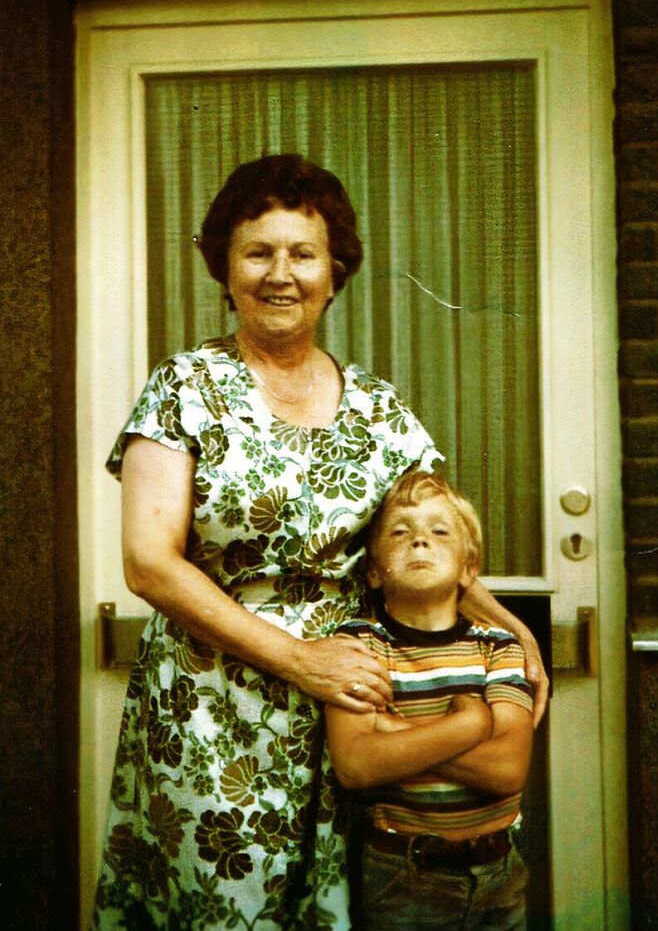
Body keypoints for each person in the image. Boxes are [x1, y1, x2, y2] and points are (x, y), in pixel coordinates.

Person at [92, 154, 546, 931]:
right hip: (213, 710)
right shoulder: (186, 386)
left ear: (334, 274)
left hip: (363, 713)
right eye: (257, 251)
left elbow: (429, 533)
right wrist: (299, 658)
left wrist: (507, 625)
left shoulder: (377, 404)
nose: (281, 273)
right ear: (224, 268)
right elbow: (149, 562)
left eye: (302, 253)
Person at [326, 470, 533, 931]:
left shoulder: (498, 648)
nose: (420, 540)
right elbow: (356, 765)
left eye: (440, 531)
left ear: (468, 569)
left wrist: (396, 732)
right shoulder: (358, 646)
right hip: (402, 875)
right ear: (374, 572)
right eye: (400, 532)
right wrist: (469, 725)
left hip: (499, 871)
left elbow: (507, 771)